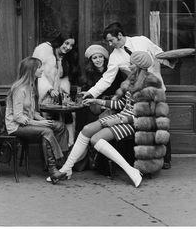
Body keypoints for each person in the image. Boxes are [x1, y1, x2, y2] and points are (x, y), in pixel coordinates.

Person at [55, 51, 162, 188]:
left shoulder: (149, 85)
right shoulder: (132, 80)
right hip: (122, 116)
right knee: (87, 129)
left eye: (132, 63)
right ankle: (66, 168)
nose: (129, 66)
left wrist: (117, 121)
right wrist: (97, 101)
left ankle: (131, 171)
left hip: (135, 123)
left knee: (95, 139)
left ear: (140, 65)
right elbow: (120, 105)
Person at [82, 22, 174, 169]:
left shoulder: (142, 40)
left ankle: (166, 158)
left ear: (120, 35)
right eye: (108, 42)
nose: (110, 44)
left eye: (111, 40)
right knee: (144, 123)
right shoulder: (114, 57)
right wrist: (91, 92)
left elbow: (159, 54)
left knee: (160, 122)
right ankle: (144, 159)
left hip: (156, 88)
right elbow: (107, 79)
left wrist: (173, 60)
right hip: (136, 94)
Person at [5, 57, 68, 184]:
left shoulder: (30, 86)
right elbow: (18, 117)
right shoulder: (19, 89)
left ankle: (58, 162)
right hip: (16, 127)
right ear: (31, 70)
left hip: (27, 123)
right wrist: (40, 124)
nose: (42, 69)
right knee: (46, 131)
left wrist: (42, 119)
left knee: (60, 126)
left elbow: (31, 112)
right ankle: (53, 170)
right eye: (39, 67)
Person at [32, 31, 79, 147]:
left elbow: (63, 77)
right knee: (50, 120)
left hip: (58, 97)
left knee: (68, 116)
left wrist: (63, 92)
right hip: (43, 95)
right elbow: (37, 73)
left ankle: (68, 146)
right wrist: (49, 89)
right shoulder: (44, 50)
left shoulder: (65, 57)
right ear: (60, 41)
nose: (68, 47)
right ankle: (52, 151)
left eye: (71, 45)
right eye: (66, 43)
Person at [78, 44, 125, 128]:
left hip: (113, 103)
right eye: (95, 58)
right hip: (96, 104)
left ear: (104, 58)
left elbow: (121, 88)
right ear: (91, 60)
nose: (98, 60)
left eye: (100, 57)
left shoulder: (113, 71)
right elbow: (87, 91)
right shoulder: (89, 74)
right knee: (83, 114)